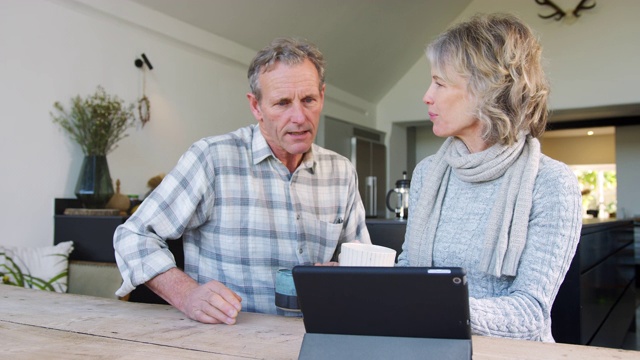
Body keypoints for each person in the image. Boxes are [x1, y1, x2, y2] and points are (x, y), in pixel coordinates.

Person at [113, 37, 371, 325]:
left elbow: (362, 264)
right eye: (282, 103)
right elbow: (133, 237)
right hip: (229, 342)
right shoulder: (212, 159)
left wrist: (343, 274)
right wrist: (187, 295)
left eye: (308, 100)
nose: (299, 117)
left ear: (322, 96)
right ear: (256, 106)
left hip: (317, 337)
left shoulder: (341, 171)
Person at [397, 13, 582, 342]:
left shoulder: (552, 183)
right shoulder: (428, 173)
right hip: (430, 346)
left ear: (485, 90)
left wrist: (436, 308)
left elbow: (530, 312)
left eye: (440, 83)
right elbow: (409, 268)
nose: (427, 95)